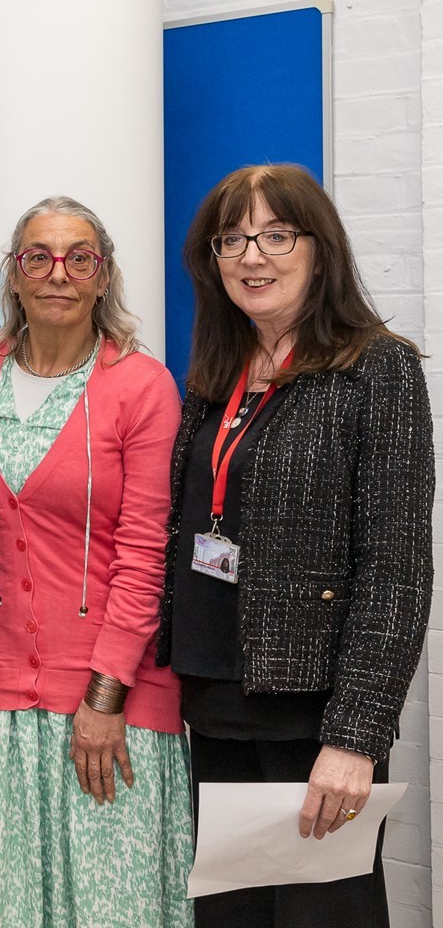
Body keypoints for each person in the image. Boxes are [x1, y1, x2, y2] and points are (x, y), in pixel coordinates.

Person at [162, 164, 433, 926]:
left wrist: (355, 737)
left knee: (325, 918)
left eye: (277, 234)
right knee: (235, 919)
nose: (254, 256)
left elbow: (397, 569)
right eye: (233, 238)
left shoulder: (377, 368)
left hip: (312, 722)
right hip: (216, 707)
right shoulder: (217, 374)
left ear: (320, 250)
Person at [0, 197, 193, 926]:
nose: (59, 273)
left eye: (79, 257)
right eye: (38, 257)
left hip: (109, 705)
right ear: (13, 275)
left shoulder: (142, 386)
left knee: (109, 909)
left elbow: (148, 552)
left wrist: (105, 697)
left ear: (102, 276)